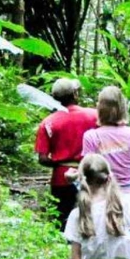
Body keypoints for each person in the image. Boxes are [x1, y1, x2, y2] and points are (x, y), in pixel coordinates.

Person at [34, 78, 99, 230]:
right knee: (94, 218)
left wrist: (61, 162)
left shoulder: (48, 122)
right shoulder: (95, 116)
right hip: (92, 173)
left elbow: (43, 159)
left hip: (61, 179)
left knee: (63, 222)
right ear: (75, 94)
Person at [81, 86, 130, 192]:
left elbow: (88, 172)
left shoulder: (91, 137)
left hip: (102, 194)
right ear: (123, 108)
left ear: (99, 109)